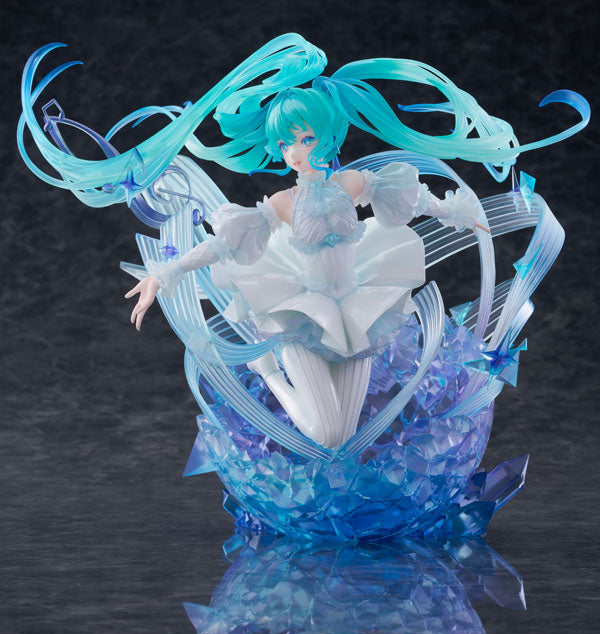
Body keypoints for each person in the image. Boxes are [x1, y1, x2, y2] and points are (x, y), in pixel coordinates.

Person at [18, 35, 589, 451]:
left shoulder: (353, 184)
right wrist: (164, 273)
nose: (298, 150)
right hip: (300, 312)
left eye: (308, 137)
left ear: (328, 135)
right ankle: (268, 369)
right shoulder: (281, 203)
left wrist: (463, 213)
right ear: (278, 148)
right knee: (325, 433)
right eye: (288, 143)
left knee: (346, 433)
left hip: (357, 306)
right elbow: (224, 244)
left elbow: (416, 200)